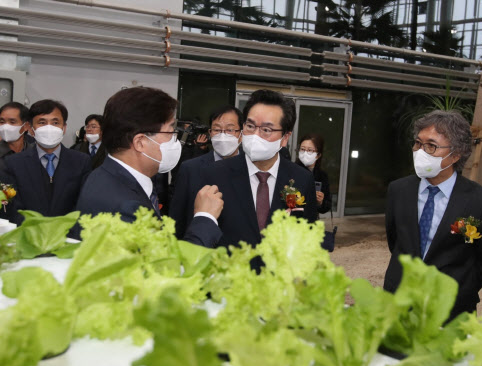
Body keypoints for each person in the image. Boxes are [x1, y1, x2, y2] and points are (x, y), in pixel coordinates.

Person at [383, 110, 482, 321]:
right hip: (399, 301)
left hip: (451, 309)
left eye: (431, 146)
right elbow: (396, 241)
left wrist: (459, 288)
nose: (420, 151)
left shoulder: (481, 202)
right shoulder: (398, 190)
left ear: (456, 154)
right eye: (418, 143)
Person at [76, 86, 223, 248]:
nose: (175, 140)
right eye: (170, 131)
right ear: (140, 142)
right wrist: (205, 217)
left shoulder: (104, 175)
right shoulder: (127, 207)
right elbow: (167, 269)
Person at [201, 89, 318, 249]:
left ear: (285, 138)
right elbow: (201, 236)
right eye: (250, 126)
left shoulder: (301, 179)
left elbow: (308, 235)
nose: (255, 135)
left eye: (266, 130)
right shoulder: (215, 175)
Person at [1, 99, 91, 224]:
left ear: (64, 128)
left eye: (55, 122)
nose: (49, 128)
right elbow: (9, 207)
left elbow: (84, 204)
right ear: (31, 129)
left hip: (67, 237)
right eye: (42, 122)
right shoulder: (13, 164)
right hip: (27, 235)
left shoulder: (82, 162)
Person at [170, 105, 243, 238]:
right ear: (210, 133)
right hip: (199, 246)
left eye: (230, 129)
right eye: (217, 129)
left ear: (241, 134)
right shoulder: (190, 168)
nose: (223, 135)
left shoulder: (253, 167)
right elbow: (177, 217)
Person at [296, 133, 332, 214]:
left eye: (310, 150)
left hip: (310, 221)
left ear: (318, 155)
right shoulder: (291, 170)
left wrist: (320, 202)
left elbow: (326, 207)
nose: (305, 153)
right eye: (302, 149)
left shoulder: (322, 176)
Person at [0, 102, 35, 173]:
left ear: (26, 126)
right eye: (2, 122)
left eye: (12, 122)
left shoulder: (36, 153)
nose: (6, 127)